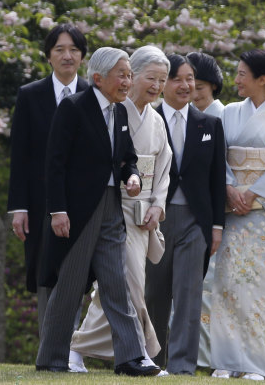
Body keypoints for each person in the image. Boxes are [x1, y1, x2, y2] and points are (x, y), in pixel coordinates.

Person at [35, 47, 160, 376]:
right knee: (71, 284)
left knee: (117, 282)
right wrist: (58, 210)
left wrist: (131, 176)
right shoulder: (73, 108)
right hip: (78, 211)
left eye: (130, 74)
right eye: (122, 74)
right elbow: (55, 163)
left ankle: (130, 358)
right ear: (98, 78)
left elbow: (127, 158)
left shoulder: (120, 113)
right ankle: (52, 358)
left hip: (110, 209)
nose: (127, 81)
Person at [68, 45, 172, 372]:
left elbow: (164, 168)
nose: (156, 86)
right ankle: (142, 351)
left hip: (143, 216)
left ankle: (75, 348)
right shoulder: (114, 111)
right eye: (150, 78)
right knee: (128, 285)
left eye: (162, 80)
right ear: (130, 76)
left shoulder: (156, 120)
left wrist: (158, 205)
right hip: (115, 208)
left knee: (114, 289)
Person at [209, 49, 265, 381]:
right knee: (228, 285)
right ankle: (226, 360)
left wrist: (252, 193)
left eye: (241, 74)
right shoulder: (229, 113)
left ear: (262, 79)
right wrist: (230, 188)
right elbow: (218, 156)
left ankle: (256, 365)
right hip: (234, 211)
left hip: (264, 216)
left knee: (262, 289)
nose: (235, 80)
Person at [144, 54, 226, 375]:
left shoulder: (210, 124)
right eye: (177, 78)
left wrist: (216, 226)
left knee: (189, 294)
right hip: (156, 220)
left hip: (196, 222)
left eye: (190, 79)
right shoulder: (146, 120)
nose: (185, 85)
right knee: (154, 294)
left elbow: (217, 180)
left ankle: (181, 367)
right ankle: (150, 361)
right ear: (163, 84)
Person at [7, 23, 89, 333]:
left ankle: (73, 349)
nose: (67, 56)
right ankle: (49, 346)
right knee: (44, 270)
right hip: (39, 201)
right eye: (60, 50)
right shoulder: (30, 95)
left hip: (82, 200)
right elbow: (20, 155)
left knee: (78, 272)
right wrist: (19, 207)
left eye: (74, 50)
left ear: (82, 56)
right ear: (49, 56)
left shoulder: (92, 95)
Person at [185, 51, 224, 369]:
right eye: (185, 82)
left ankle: (209, 359)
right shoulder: (183, 116)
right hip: (183, 211)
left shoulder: (222, 116)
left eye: (198, 84)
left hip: (220, 211)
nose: (192, 90)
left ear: (212, 85)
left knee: (210, 289)